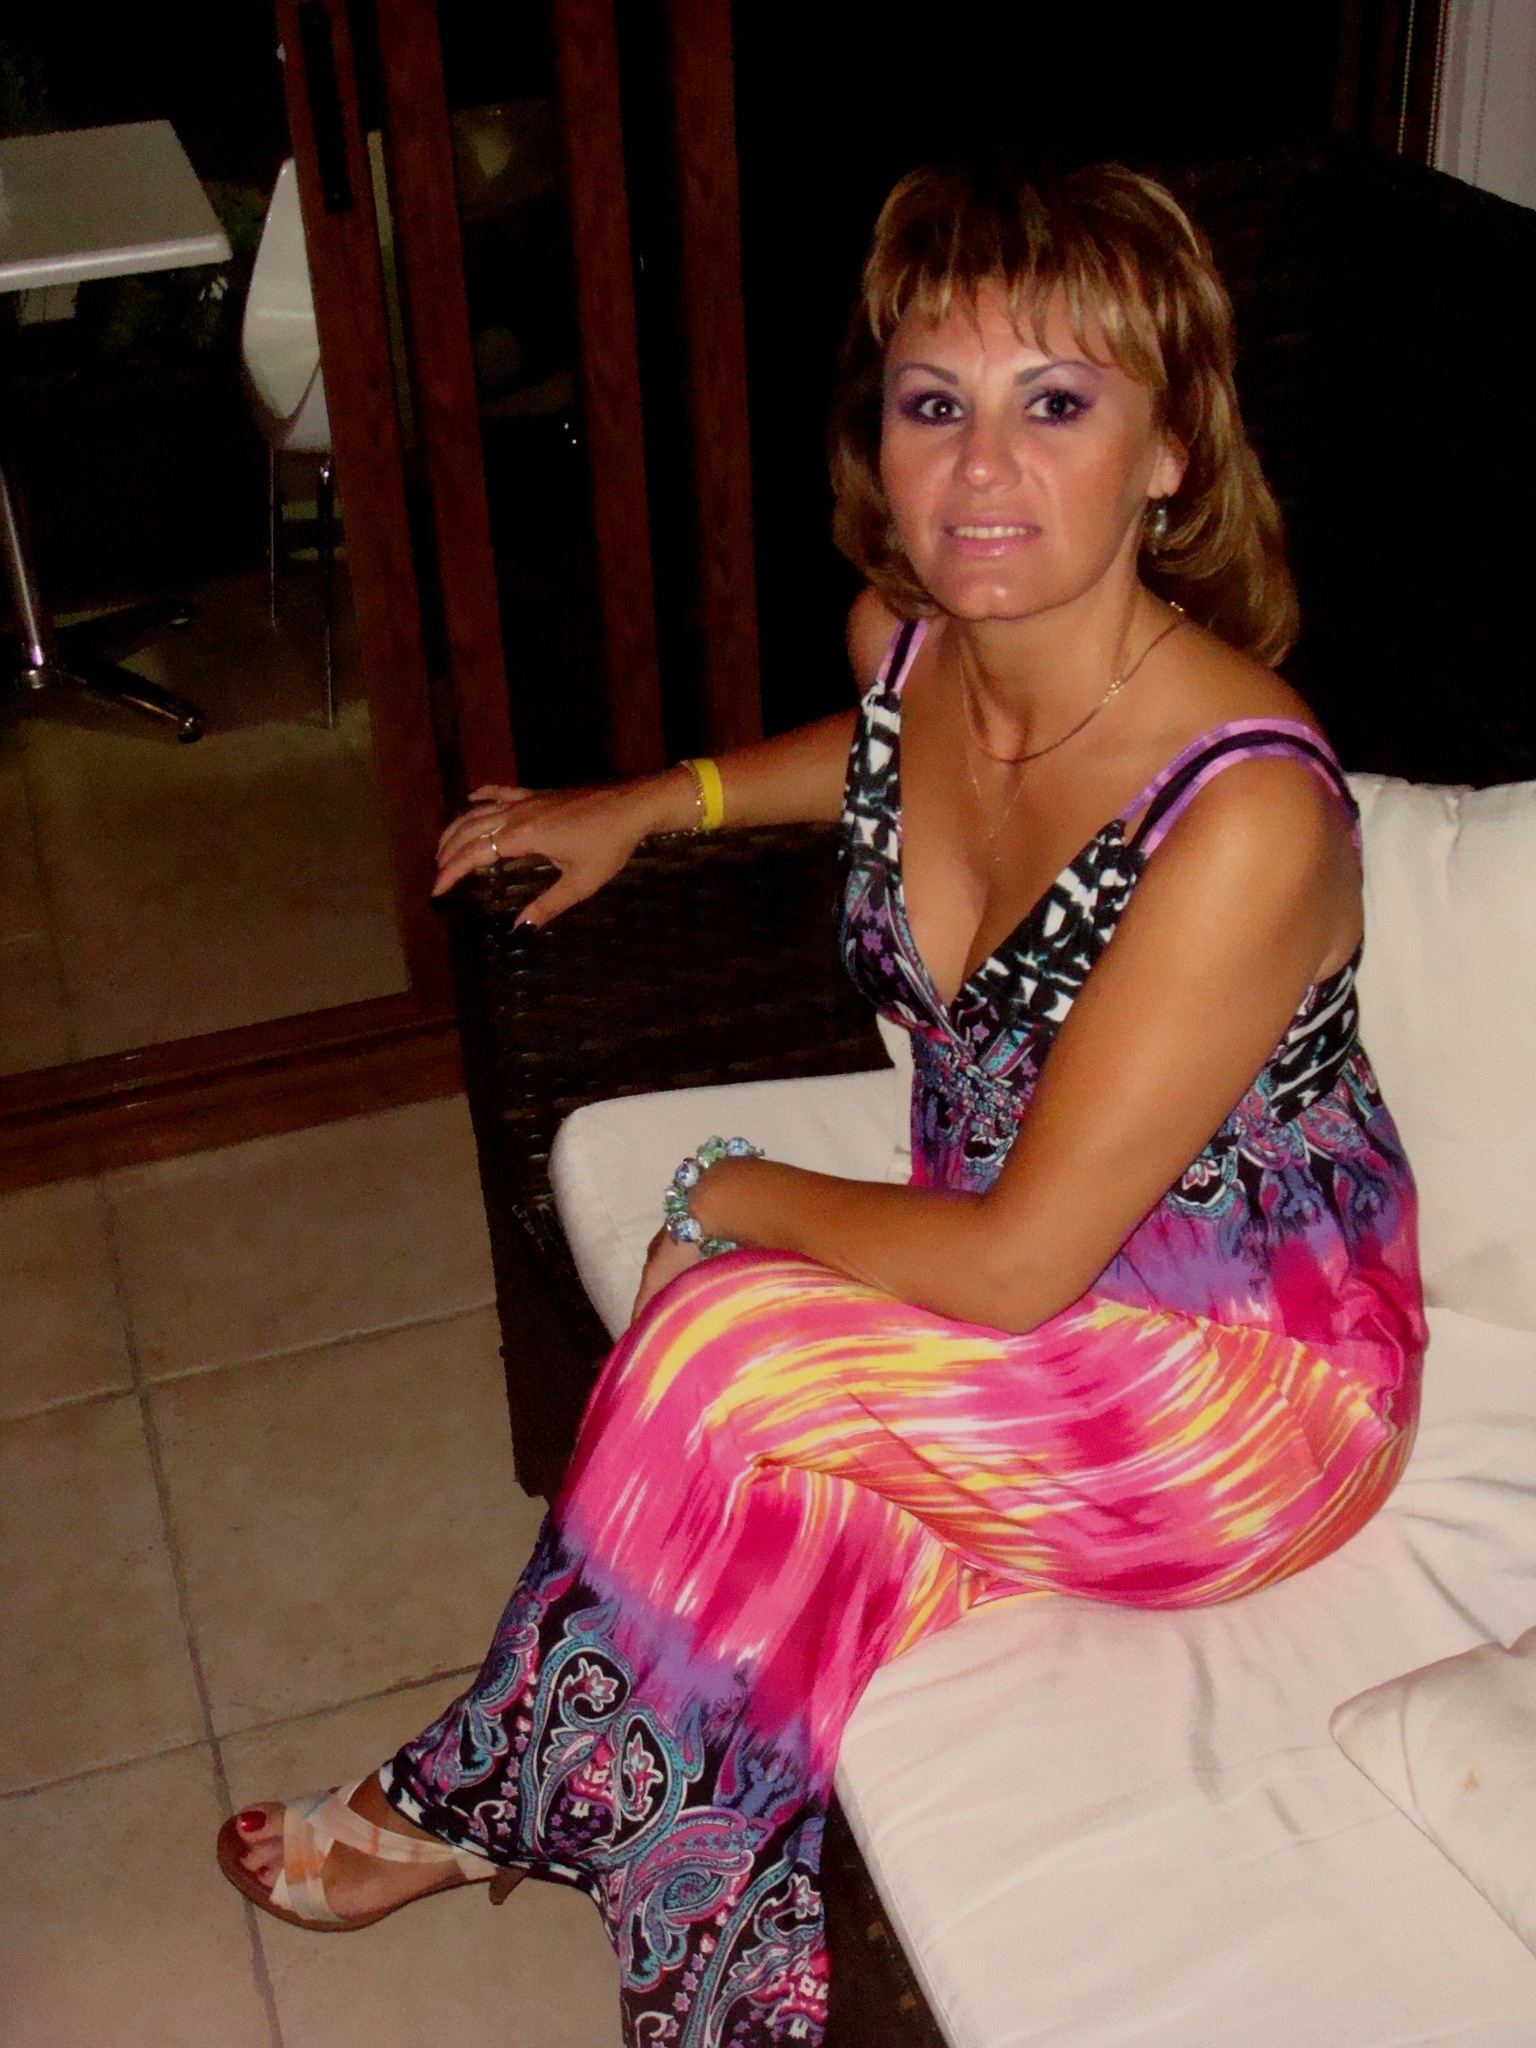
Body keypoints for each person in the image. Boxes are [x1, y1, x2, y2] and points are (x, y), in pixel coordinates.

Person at [218, 159, 1424, 2044]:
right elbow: (880, 756)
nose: (982, 468)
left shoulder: (1245, 808)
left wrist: (730, 1192)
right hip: (1011, 1287)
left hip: (1240, 1384)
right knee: (766, 1547)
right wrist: (660, 800)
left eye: (1058, 403)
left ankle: (464, 1803)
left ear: (1172, 453)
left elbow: (1017, 1267)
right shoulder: (909, 643)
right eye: (936, 403)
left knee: (722, 1348)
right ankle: (725, 1982)